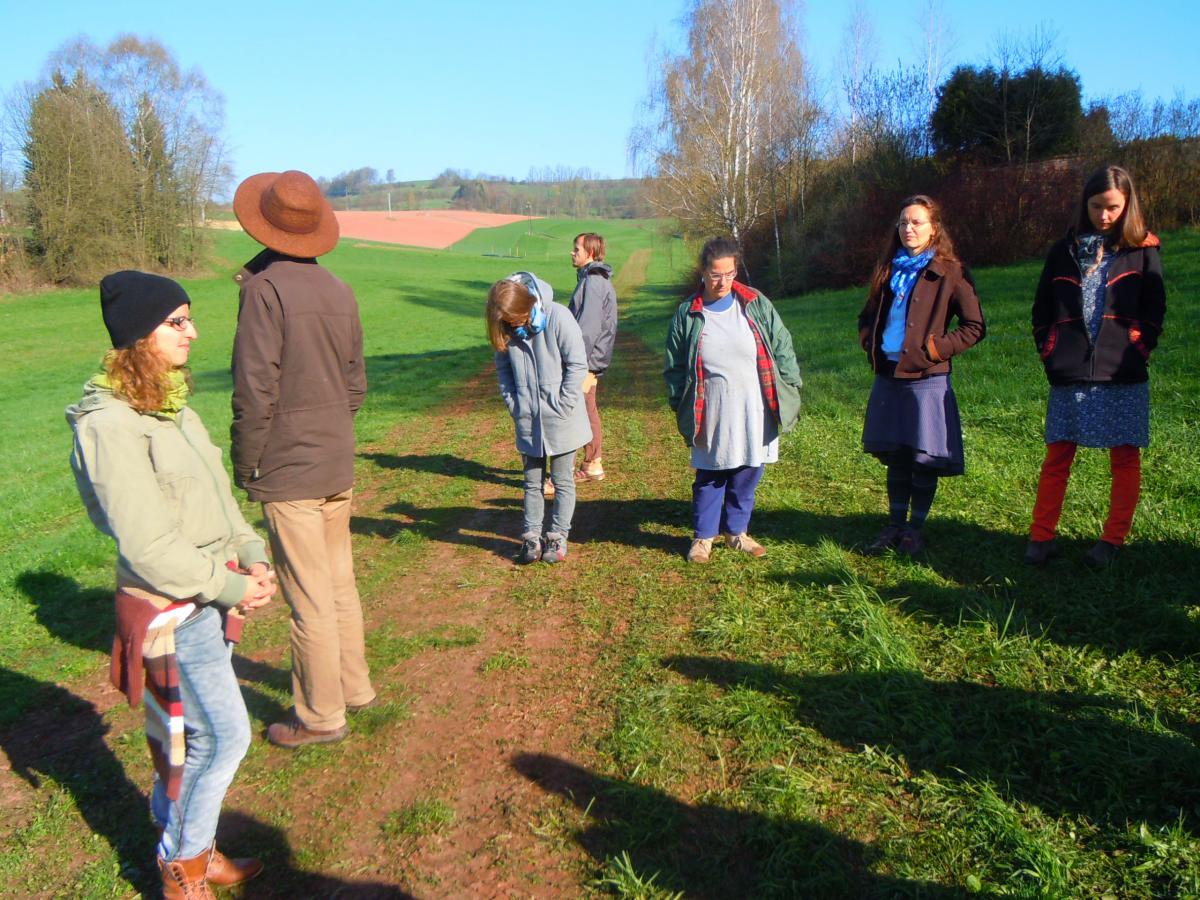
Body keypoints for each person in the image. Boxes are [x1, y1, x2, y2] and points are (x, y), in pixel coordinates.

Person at [67, 271, 276, 899]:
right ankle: (182, 868)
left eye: (188, 319)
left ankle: (189, 841)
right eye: (176, 323)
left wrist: (251, 552)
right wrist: (230, 587)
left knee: (195, 737)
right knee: (225, 735)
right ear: (139, 336)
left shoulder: (172, 406)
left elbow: (218, 496)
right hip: (175, 606)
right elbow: (149, 546)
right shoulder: (111, 424)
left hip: (210, 591)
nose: (193, 332)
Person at [230, 169, 376, 749]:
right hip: (336, 461)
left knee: (309, 598)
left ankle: (320, 716)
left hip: (289, 469)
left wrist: (247, 466)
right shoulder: (340, 290)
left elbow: (253, 390)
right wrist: (331, 429)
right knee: (339, 584)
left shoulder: (264, 291)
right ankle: (355, 688)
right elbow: (356, 385)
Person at [1025, 165, 1166, 567]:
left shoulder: (1144, 250)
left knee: (1124, 458)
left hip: (1122, 369)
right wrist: (1048, 346)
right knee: (1057, 456)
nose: (1103, 216)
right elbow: (1041, 308)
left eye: (1113, 208)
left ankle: (1112, 540)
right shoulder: (1062, 251)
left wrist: (1139, 345)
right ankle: (1041, 537)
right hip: (1069, 368)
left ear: (1127, 206)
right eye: (1095, 206)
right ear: (1083, 204)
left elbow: (1155, 309)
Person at [857, 195, 986, 556]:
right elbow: (867, 314)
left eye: (916, 223)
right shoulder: (888, 268)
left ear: (934, 228)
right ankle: (894, 525)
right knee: (897, 455)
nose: (908, 229)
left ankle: (915, 529)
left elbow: (975, 326)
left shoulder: (950, 271)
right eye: (903, 223)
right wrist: (868, 338)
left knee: (922, 456)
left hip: (926, 378)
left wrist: (935, 350)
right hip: (889, 374)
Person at [665, 237, 802, 563]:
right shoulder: (688, 314)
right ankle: (703, 539)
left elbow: (782, 345)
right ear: (703, 272)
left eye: (729, 273)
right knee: (711, 473)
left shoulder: (756, 303)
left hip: (755, 405)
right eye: (715, 274)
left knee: (748, 470)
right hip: (711, 408)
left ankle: (737, 533)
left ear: (736, 270)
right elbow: (675, 367)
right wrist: (678, 403)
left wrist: (792, 384)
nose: (723, 281)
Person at [487, 271, 592, 564]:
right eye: (508, 321)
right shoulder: (504, 325)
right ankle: (531, 538)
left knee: (562, 479)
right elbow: (504, 371)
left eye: (517, 318)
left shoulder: (558, 317)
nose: (513, 325)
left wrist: (563, 403)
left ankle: (557, 537)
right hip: (528, 418)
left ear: (529, 303)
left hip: (562, 417)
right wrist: (515, 403)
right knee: (532, 482)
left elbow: (577, 364)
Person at [569, 232, 618, 482]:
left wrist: (576, 361)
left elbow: (588, 328)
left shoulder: (593, 282)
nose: (572, 252)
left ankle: (592, 462)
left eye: (576, 249)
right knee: (586, 408)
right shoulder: (589, 279)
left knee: (585, 410)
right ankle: (592, 461)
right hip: (589, 360)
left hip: (586, 361)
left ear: (589, 253)